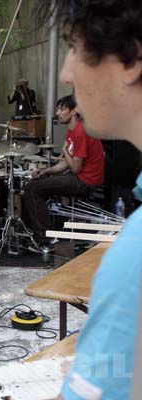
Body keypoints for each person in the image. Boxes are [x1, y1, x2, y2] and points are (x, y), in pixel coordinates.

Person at [36, 1, 142, 398]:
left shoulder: (134, 256)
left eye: (74, 46)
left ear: (131, 57)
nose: (66, 72)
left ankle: (45, 233)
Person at [22, 94, 104, 250]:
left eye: (62, 109)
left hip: (85, 181)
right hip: (78, 176)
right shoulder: (72, 131)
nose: (58, 113)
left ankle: (46, 240)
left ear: (73, 111)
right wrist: (45, 171)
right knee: (37, 183)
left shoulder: (80, 132)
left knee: (31, 189)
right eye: (58, 109)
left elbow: (75, 168)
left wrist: (65, 149)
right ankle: (46, 230)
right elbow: (66, 164)